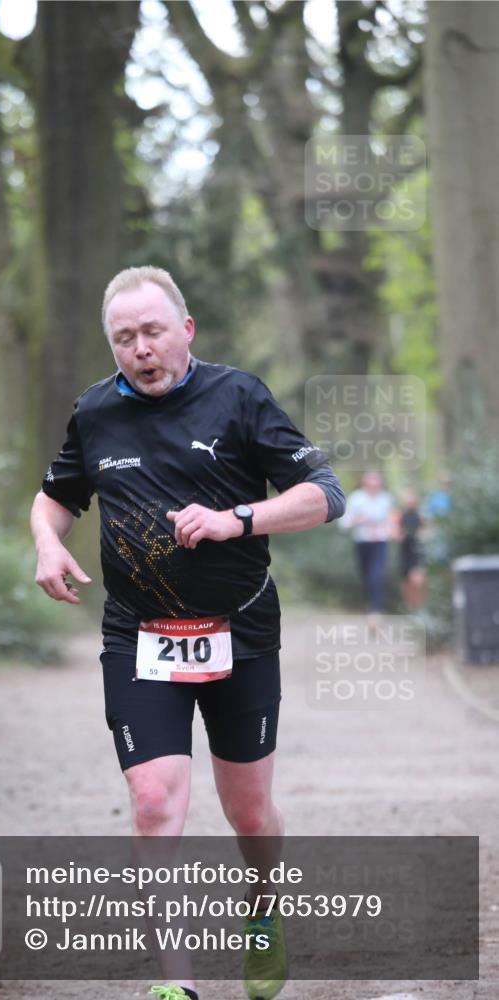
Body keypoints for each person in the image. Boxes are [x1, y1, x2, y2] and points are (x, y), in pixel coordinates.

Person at [30, 267, 346, 1000]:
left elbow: (321, 495)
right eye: (123, 338)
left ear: (185, 330)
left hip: (240, 630)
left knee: (247, 810)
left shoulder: (239, 396)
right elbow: (54, 500)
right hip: (138, 636)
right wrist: (47, 542)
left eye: (151, 332)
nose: (139, 349)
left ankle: (263, 912)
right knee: (153, 800)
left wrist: (236, 518)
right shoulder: (94, 412)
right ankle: (175, 985)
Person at [339, 470, 394, 628]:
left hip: (380, 541)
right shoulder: (356, 499)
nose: (373, 483)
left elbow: (391, 520)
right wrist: (357, 520)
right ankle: (371, 604)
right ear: (364, 482)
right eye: (370, 480)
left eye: (376, 480)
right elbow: (344, 523)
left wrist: (389, 530)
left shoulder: (386, 499)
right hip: (362, 542)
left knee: (376, 574)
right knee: (366, 575)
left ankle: (376, 612)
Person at [394, 487, 426, 610]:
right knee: (406, 582)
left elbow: (427, 531)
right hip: (404, 550)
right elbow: (396, 533)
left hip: (417, 551)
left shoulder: (421, 515)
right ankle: (409, 607)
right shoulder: (400, 515)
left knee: (418, 581)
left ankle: (420, 607)